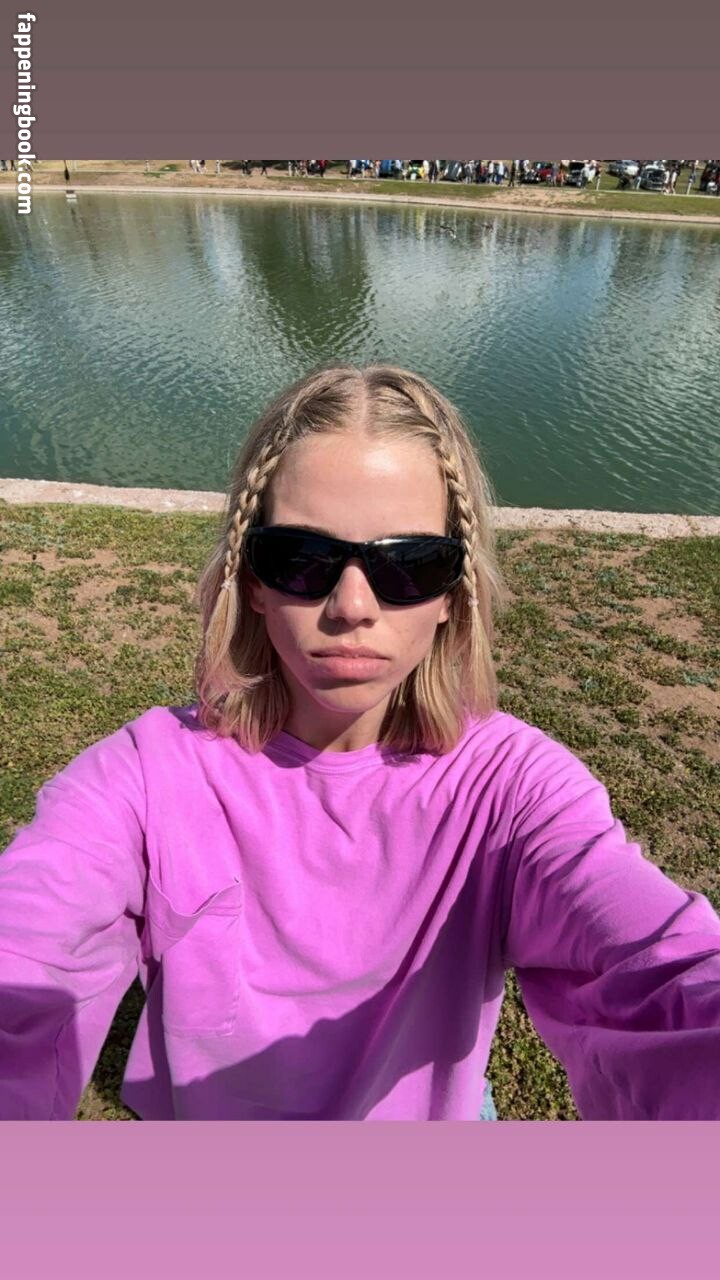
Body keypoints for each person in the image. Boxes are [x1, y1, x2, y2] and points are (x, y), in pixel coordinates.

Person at [2, 362, 720, 1123]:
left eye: (409, 564)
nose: (351, 606)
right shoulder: (143, 777)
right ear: (253, 581)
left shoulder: (516, 791)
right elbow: (27, 945)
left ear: (453, 594)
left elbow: (662, 970)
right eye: (301, 559)